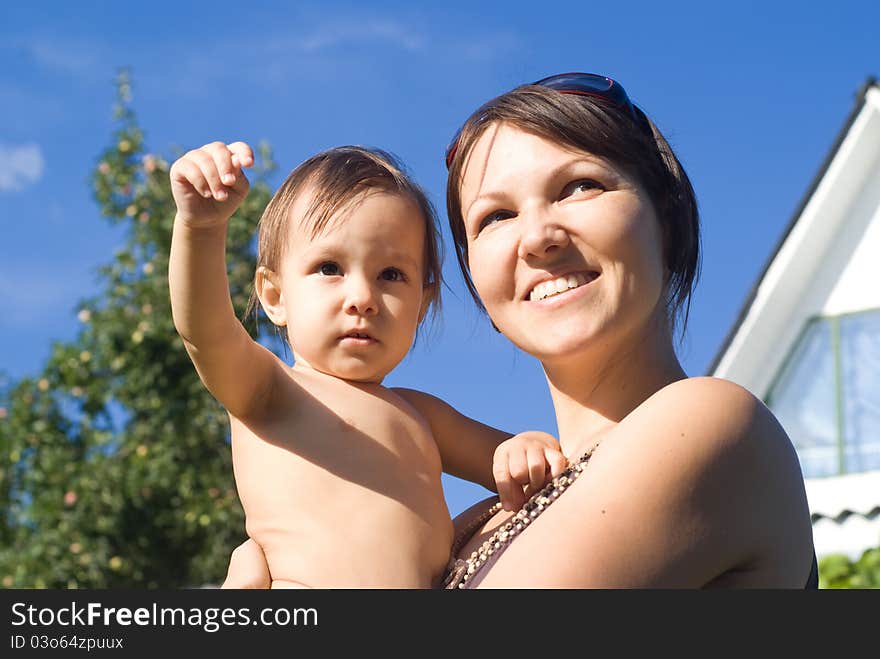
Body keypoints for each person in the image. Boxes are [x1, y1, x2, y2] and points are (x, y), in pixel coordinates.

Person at [221, 72, 818, 589]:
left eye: (580, 186)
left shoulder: (707, 424)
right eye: (496, 217)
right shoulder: (487, 521)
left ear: (664, 209)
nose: (538, 238)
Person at [168, 142, 567, 588]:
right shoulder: (271, 390)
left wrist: (525, 448)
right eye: (329, 268)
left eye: (391, 275)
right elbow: (205, 331)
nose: (362, 299)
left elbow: (517, 466)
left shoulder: (423, 416)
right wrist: (201, 229)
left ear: (422, 303)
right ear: (275, 296)